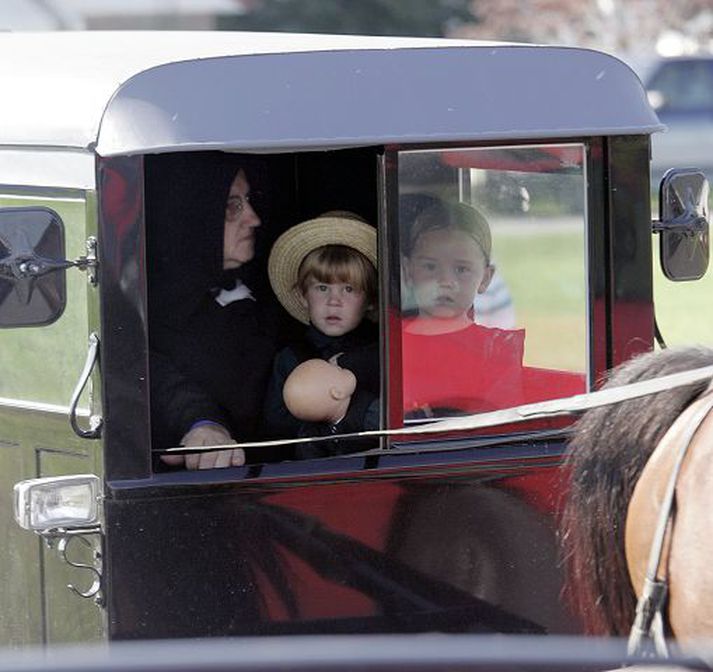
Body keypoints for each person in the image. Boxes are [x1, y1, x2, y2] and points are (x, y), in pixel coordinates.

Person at [146, 151, 280, 469]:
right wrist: (201, 423)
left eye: (248, 200)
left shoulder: (275, 293)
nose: (253, 219)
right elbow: (157, 380)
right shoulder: (148, 315)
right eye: (232, 206)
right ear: (195, 215)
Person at [263, 211, 379, 458]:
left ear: (370, 300)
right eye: (322, 287)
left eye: (348, 289)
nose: (333, 301)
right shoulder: (290, 358)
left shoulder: (381, 353)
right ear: (303, 296)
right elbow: (276, 429)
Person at [401, 199, 525, 416]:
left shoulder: (497, 350)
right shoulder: (390, 343)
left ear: (486, 278)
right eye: (430, 266)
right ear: (408, 270)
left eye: (461, 269)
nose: (445, 281)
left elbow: (501, 427)